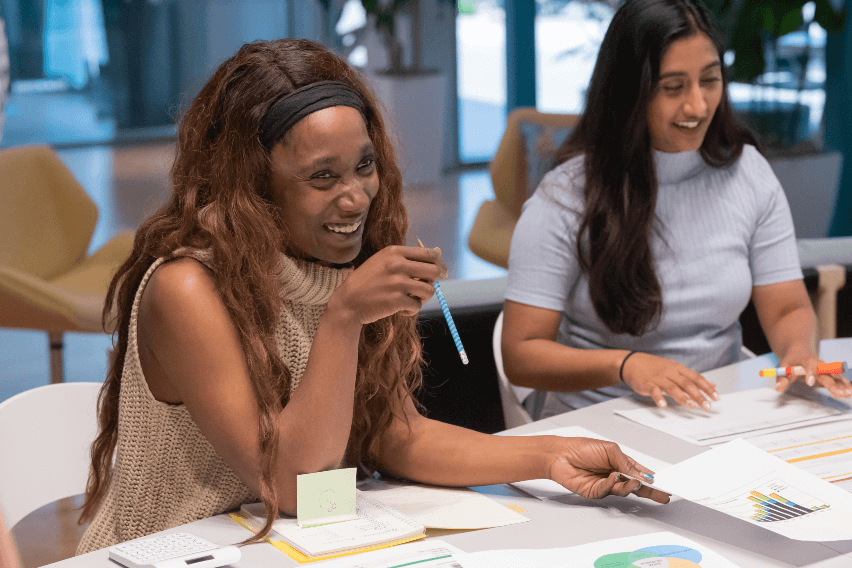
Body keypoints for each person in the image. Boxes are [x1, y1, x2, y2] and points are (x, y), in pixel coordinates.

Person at [76, 39, 669, 554]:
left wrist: (549, 456)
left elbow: (393, 434)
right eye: (322, 177)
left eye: (364, 166)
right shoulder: (188, 287)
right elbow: (289, 482)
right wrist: (343, 319)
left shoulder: (339, 260)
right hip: (173, 549)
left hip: (283, 542)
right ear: (252, 187)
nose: (357, 198)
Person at [502, 0, 852, 419]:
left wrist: (798, 353)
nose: (698, 106)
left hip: (716, 414)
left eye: (710, 80)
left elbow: (787, 308)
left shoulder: (748, 174)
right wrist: (625, 365)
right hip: (598, 418)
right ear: (630, 91)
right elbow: (521, 354)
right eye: (673, 88)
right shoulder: (565, 196)